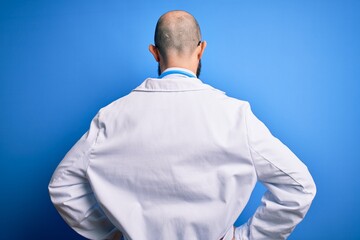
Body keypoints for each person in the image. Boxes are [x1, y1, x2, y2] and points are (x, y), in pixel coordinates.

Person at [49, 10, 316, 240]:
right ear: (201, 49)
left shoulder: (111, 116)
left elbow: (62, 186)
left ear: (154, 53)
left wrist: (111, 234)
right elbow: (299, 186)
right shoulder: (235, 115)